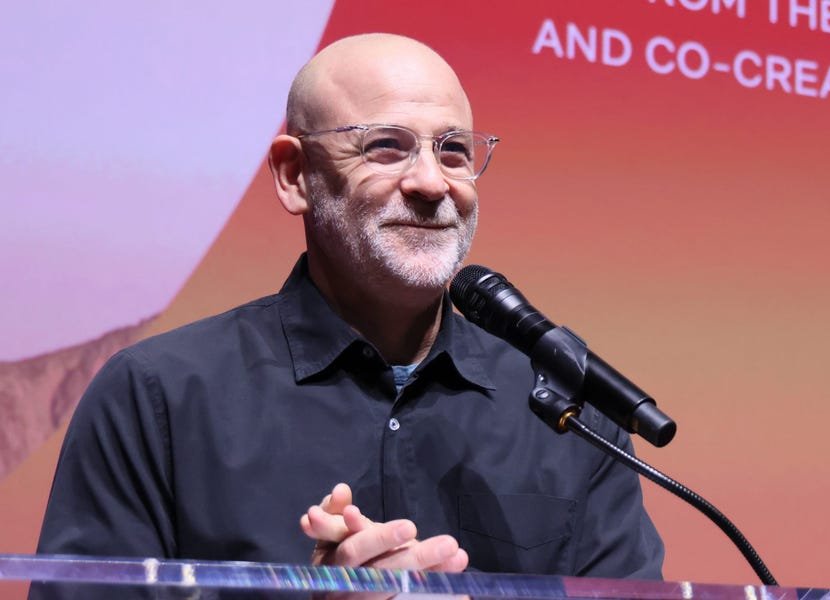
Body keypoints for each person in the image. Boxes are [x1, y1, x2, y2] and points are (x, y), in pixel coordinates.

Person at [36, 33, 664, 579]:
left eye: (453, 150)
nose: (431, 182)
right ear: (295, 175)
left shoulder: (567, 408)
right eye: (386, 146)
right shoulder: (158, 396)